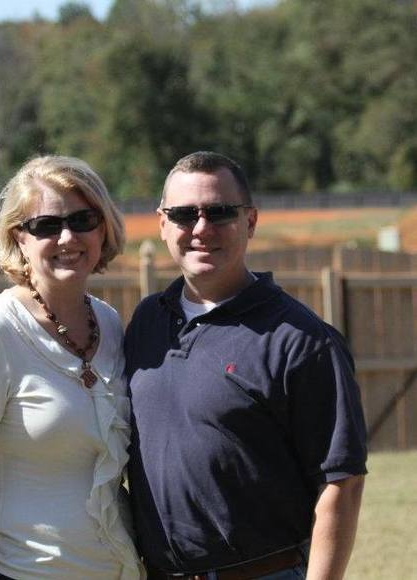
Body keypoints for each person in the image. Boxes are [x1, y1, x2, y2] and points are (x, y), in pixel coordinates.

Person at [125, 151, 367, 580]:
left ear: (250, 221)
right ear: (162, 224)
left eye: (219, 212)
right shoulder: (147, 322)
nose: (201, 228)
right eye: (184, 214)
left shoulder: (302, 340)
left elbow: (341, 484)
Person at [0, 155, 144, 580]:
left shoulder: (109, 323)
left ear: (103, 228)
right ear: (20, 237)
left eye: (83, 220)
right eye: (47, 225)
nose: (68, 237)